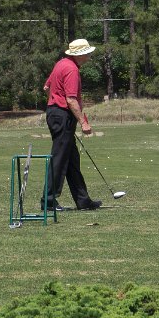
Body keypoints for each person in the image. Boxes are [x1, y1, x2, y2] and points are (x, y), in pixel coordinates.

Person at [41, 38, 102, 211]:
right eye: (88, 53)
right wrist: (83, 122)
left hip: (56, 114)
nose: (90, 56)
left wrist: (55, 103)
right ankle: (48, 201)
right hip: (62, 116)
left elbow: (47, 87)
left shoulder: (61, 64)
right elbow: (71, 99)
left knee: (72, 160)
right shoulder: (72, 69)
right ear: (81, 54)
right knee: (59, 160)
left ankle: (83, 201)